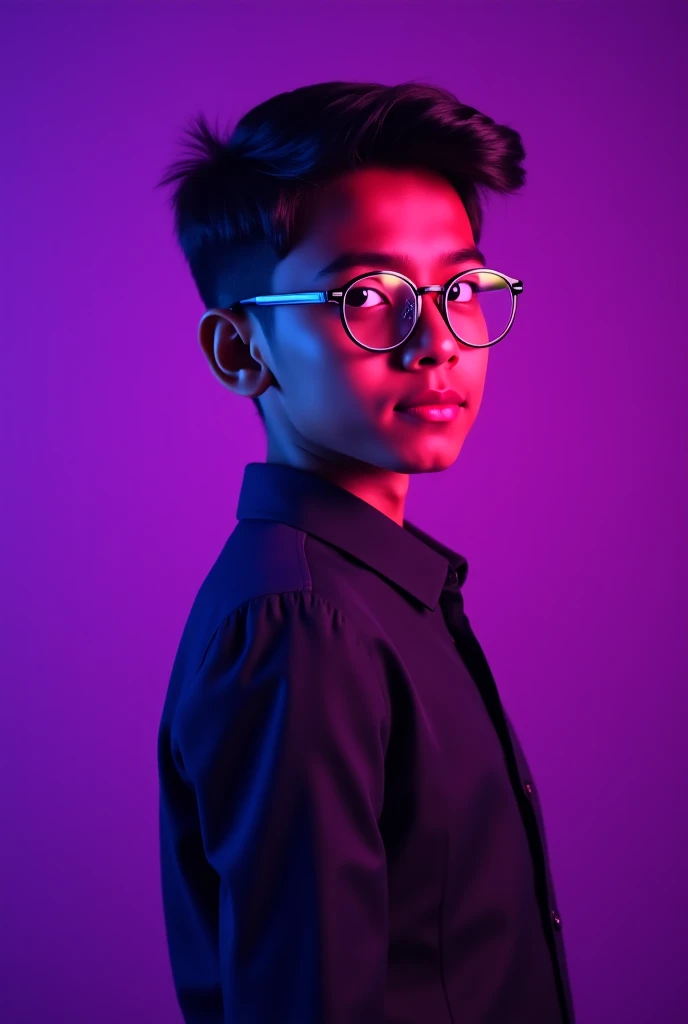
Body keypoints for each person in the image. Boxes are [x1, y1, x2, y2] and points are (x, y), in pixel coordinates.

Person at [155, 80, 575, 1024]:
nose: (437, 341)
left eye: (462, 288)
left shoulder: (374, 590)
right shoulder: (304, 623)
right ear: (239, 350)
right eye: (368, 296)